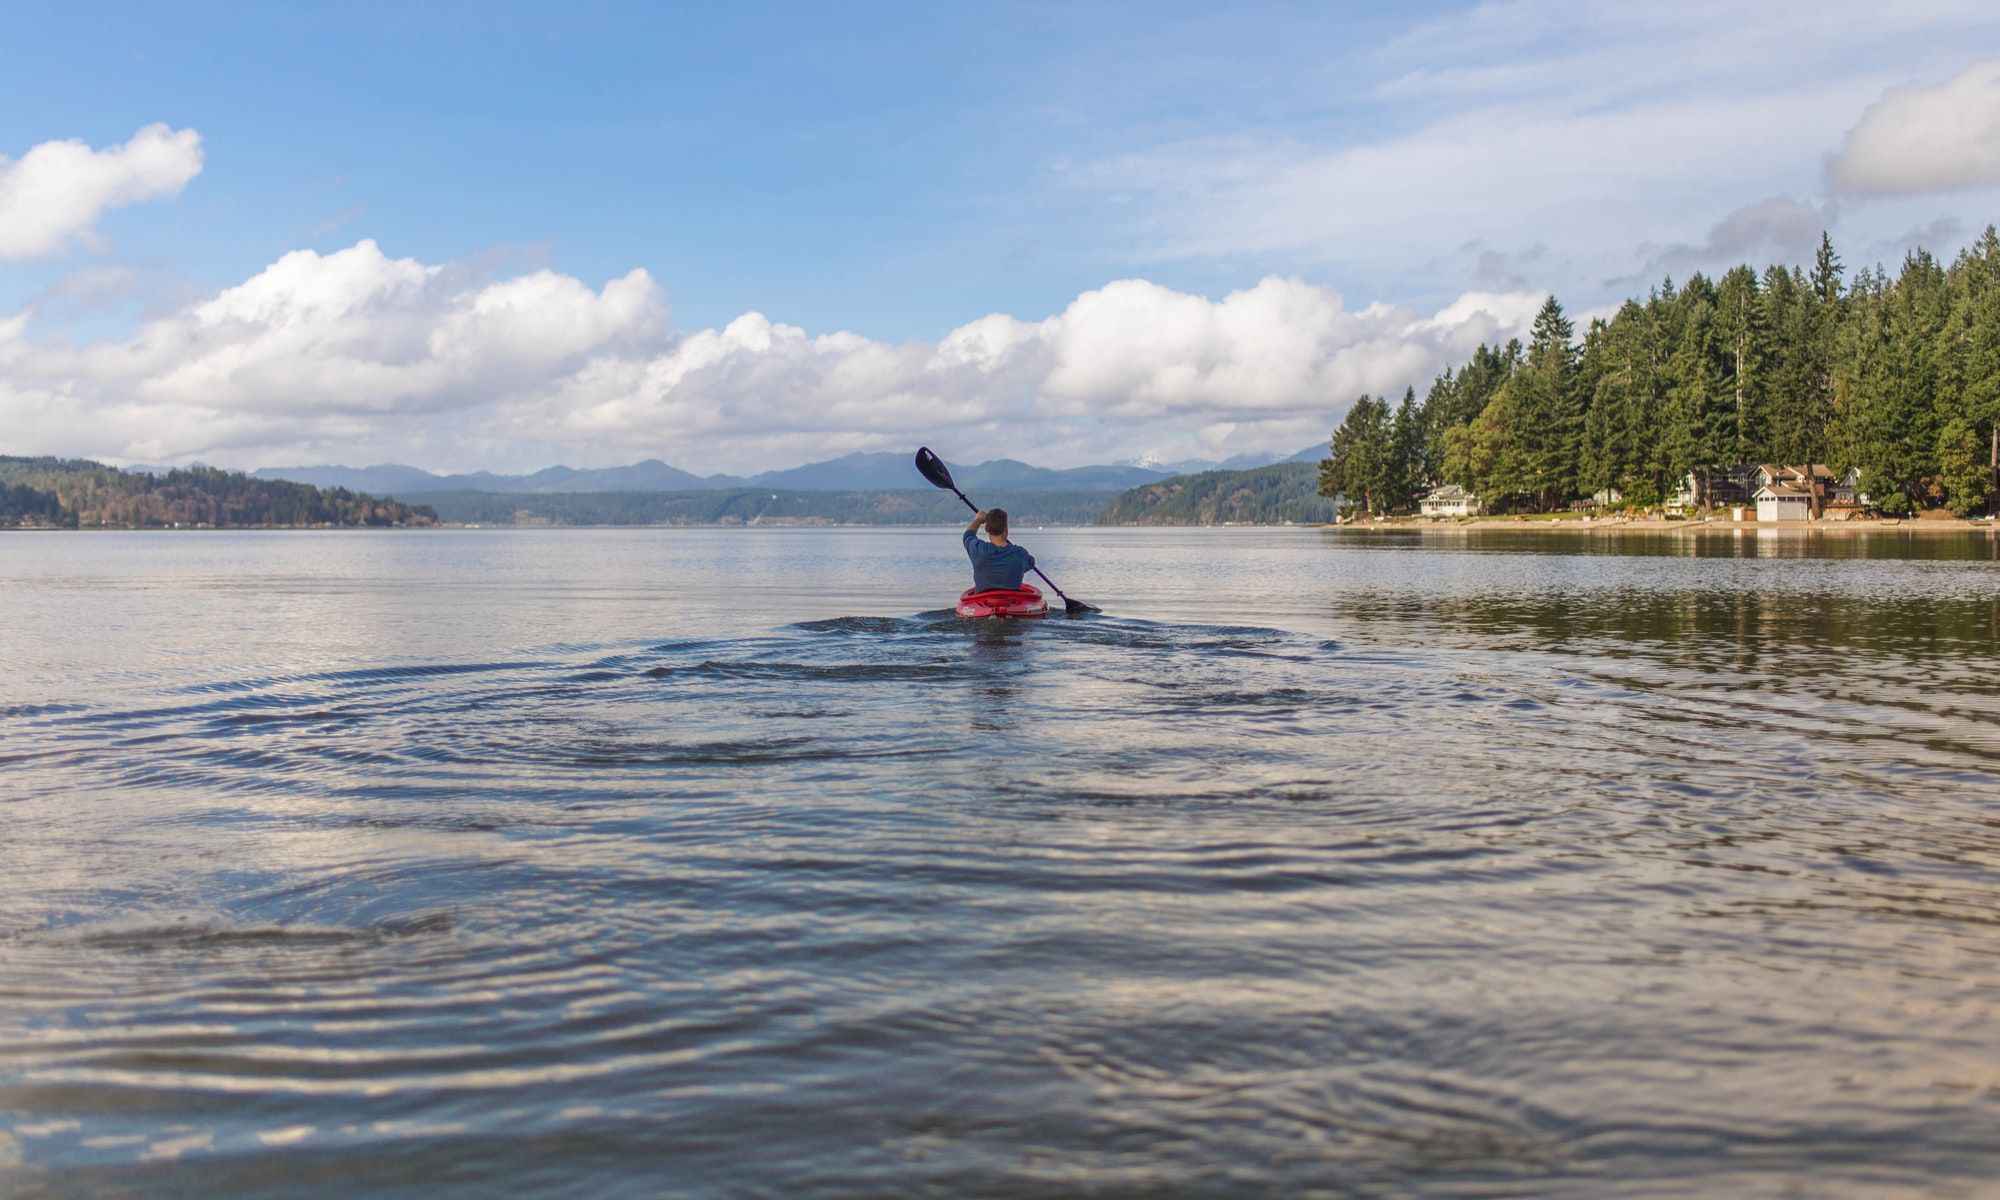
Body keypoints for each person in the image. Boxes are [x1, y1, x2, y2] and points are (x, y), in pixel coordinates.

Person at [962, 508, 1035, 591]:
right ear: (1006, 530)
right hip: (1012, 601)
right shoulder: (1020, 554)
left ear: (987, 529)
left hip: (984, 600)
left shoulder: (978, 549)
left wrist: (978, 520)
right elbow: (1031, 562)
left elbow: (968, 536)